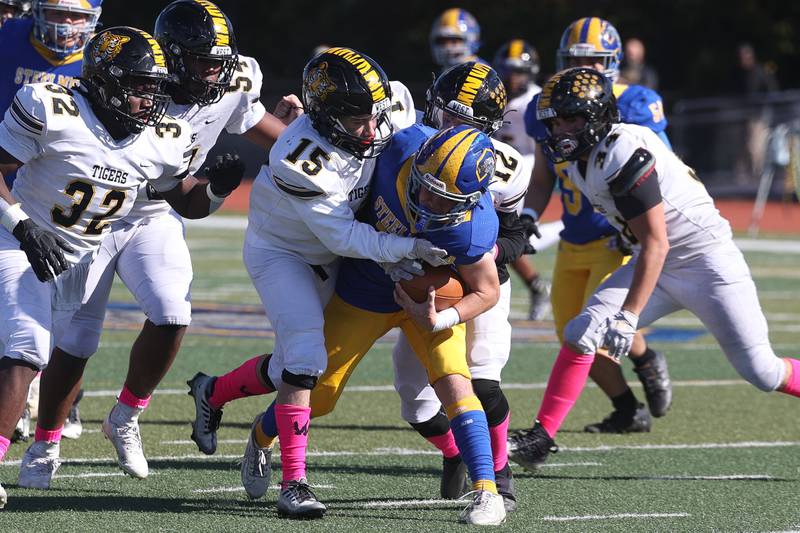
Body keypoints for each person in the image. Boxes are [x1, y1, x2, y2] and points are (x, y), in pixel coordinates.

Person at [15, 0, 298, 488]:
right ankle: (46, 442)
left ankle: (125, 415)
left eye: (219, 61)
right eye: (202, 60)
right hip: (95, 216)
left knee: (172, 311)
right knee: (77, 339)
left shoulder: (232, 83)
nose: (213, 72)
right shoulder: (133, 75)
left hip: (154, 211)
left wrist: (305, 139)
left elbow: (265, 131)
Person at [192, 47, 449, 518]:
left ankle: (213, 392)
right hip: (285, 252)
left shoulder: (389, 106)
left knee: (293, 364)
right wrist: (409, 249)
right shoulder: (299, 154)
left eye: (375, 115)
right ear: (326, 116)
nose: (372, 130)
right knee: (306, 358)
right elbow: (346, 235)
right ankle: (295, 484)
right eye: (357, 120)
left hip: (333, 252)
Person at [508, 67, 800, 472]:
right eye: (555, 121)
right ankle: (541, 438)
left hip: (705, 262)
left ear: (598, 115)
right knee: (580, 331)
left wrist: (628, 316)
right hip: (658, 260)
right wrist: (526, 218)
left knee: (763, 372)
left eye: (571, 119)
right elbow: (647, 243)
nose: (560, 130)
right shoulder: (579, 158)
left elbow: (656, 243)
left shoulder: (623, 151)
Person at [242, 124, 506, 525]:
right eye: (424, 184)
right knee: (320, 394)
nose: (425, 198)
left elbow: (487, 291)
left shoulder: (472, 227)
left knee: (455, 382)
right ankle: (261, 437)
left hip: (426, 303)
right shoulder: (400, 149)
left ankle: (488, 492)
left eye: (441, 196)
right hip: (364, 289)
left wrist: (441, 318)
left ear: (469, 199)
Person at [517, 17, 672, 435]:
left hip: (614, 235)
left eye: (595, 59)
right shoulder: (547, 104)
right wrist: (529, 214)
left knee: (594, 331)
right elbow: (545, 172)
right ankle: (627, 406)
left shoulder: (634, 103)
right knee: (571, 336)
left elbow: (661, 167)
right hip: (573, 236)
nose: (584, 67)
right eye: (574, 59)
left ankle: (643, 358)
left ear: (614, 62)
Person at [390, 62, 530, 512]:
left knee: (483, 382)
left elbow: (517, 235)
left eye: (465, 123)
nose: (452, 129)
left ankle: (500, 475)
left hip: (479, 285)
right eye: (447, 117)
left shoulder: (505, 166)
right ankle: (455, 452)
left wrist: (486, 256)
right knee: (415, 402)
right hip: (422, 284)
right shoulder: (410, 143)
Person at [0, 0, 103, 441]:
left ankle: (57, 402)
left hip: (59, 197)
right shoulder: (10, 36)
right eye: (57, 12)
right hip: (8, 178)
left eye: (76, 15)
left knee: (62, 321)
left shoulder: (104, 56)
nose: (65, 25)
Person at [491, 38, 550, 320]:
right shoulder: (494, 96)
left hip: (524, 175)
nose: (512, 78)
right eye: (507, 71)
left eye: (518, 71)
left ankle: (533, 287)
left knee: (499, 234)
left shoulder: (535, 102)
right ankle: (535, 286)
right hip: (498, 174)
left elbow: (539, 154)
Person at [429, 8, 483, 73]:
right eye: (442, 41)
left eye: (454, 41)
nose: (447, 47)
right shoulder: (444, 72)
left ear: (471, 39)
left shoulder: (478, 71)